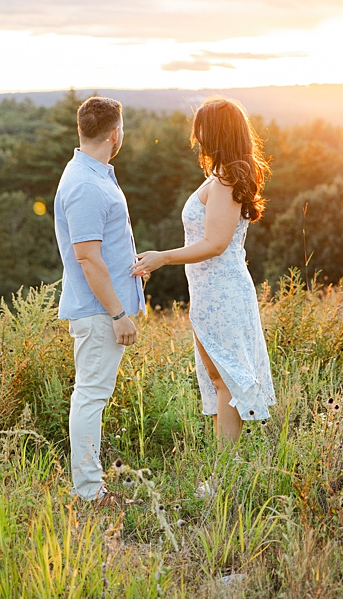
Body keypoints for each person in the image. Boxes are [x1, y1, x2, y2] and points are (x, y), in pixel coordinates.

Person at [133, 98, 276, 444]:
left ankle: (225, 472)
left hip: (223, 291)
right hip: (208, 292)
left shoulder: (227, 180)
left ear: (214, 132)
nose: (194, 135)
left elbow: (215, 243)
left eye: (200, 127)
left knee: (226, 379)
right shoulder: (219, 176)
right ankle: (226, 467)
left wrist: (162, 258)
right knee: (218, 379)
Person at [53, 96, 143, 502]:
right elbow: (87, 257)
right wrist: (119, 313)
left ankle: (90, 484)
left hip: (104, 307)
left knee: (94, 394)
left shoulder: (97, 173)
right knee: (90, 396)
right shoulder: (86, 183)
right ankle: (88, 491)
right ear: (115, 133)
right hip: (99, 311)